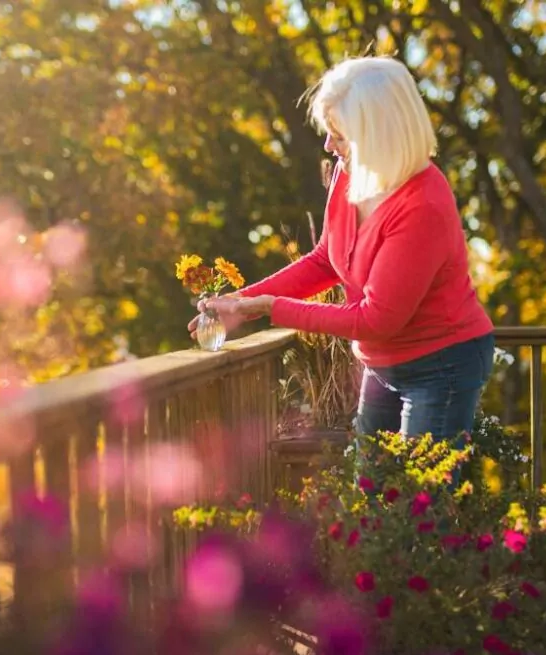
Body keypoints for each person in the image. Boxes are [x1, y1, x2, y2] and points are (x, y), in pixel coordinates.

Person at [190, 55, 495, 446]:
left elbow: (376, 319)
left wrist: (269, 308)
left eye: (339, 133)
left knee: (418, 501)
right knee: (369, 490)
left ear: (379, 136)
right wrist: (239, 300)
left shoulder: (423, 205)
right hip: (382, 363)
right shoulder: (351, 172)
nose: (327, 144)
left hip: (441, 364)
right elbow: (324, 260)